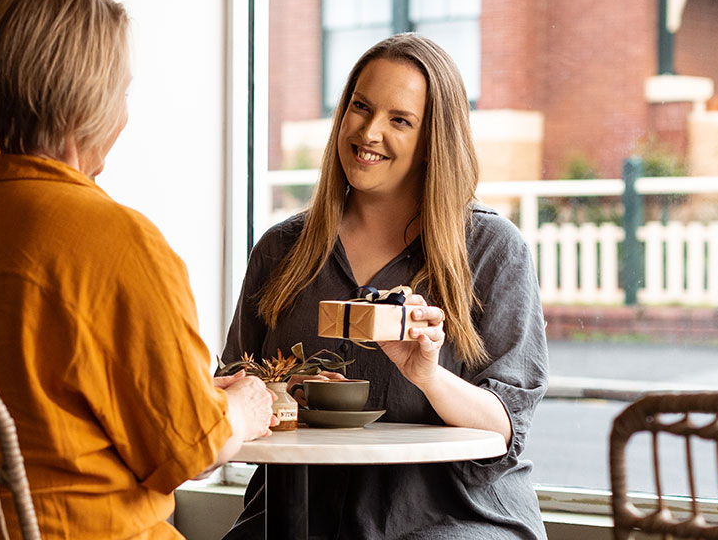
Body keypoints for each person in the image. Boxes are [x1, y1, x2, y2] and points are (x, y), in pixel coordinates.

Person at [0, 0, 275, 540]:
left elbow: (30, 402)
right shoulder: (118, 238)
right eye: (123, 91)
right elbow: (188, 452)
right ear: (93, 101)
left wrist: (194, 396)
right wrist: (240, 410)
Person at [221, 34, 548, 539]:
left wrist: (428, 376)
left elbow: (505, 425)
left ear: (432, 140)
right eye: (360, 107)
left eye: (400, 120)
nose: (369, 132)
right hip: (295, 517)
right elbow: (233, 392)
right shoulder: (280, 250)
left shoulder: (492, 250)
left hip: (451, 518)